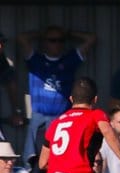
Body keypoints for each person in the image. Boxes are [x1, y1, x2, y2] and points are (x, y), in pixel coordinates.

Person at [16, 25, 96, 165]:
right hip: (39, 118)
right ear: (44, 42)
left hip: (60, 118)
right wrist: (40, 33)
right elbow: (21, 38)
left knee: (59, 158)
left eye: (60, 40)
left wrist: (69, 33)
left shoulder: (69, 60)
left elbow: (91, 39)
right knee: (32, 159)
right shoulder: (36, 60)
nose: (57, 44)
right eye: (52, 40)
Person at [0, 34, 27, 130]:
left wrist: (16, 112)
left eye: (1, 44)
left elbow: (10, 82)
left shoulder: (2, 63)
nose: (1, 47)